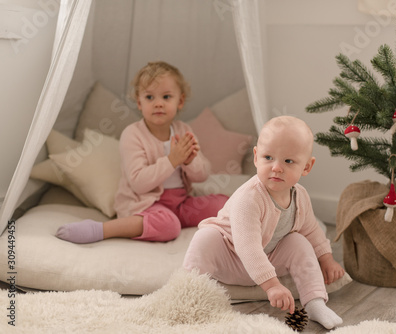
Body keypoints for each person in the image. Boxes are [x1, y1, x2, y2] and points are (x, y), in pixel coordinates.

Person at [183, 115, 345, 329]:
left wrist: (326, 259)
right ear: (256, 157)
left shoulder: (300, 196)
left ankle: (315, 303)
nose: (277, 167)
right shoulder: (249, 198)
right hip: (230, 258)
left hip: (269, 257)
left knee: (299, 241)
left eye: (288, 161)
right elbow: (247, 247)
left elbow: (312, 230)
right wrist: (272, 286)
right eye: (268, 157)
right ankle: (189, 291)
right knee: (205, 237)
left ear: (306, 167)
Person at [56, 61, 228, 244]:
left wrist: (190, 162)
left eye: (167, 97)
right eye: (149, 97)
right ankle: (101, 229)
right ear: (139, 102)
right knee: (169, 226)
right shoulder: (132, 135)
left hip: (180, 203)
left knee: (224, 204)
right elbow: (138, 183)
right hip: (144, 204)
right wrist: (172, 160)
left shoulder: (183, 130)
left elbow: (202, 175)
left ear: (180, 101)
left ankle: (180, 218)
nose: (158, 104)